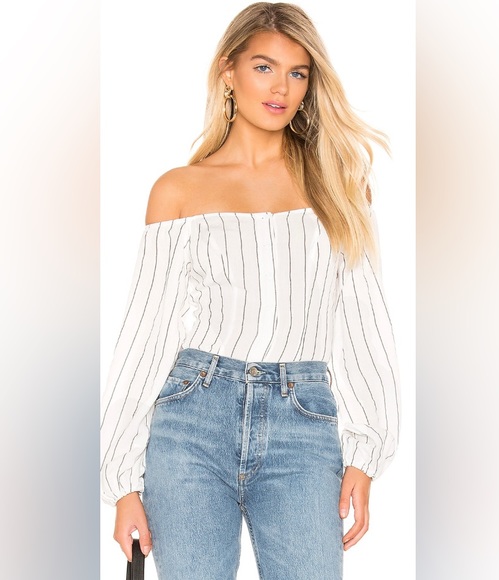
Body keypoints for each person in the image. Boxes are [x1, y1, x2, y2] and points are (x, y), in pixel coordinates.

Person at [100, 2, 400, 578]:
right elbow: (145, 336)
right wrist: (122, 482)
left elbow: (363, 322)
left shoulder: (340, 186)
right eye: (264, 67)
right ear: (228, 72)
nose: (281, 87)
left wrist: (366, 453)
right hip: (192, 419)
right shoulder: (179, 190)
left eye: (297, 72)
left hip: (302, 422)